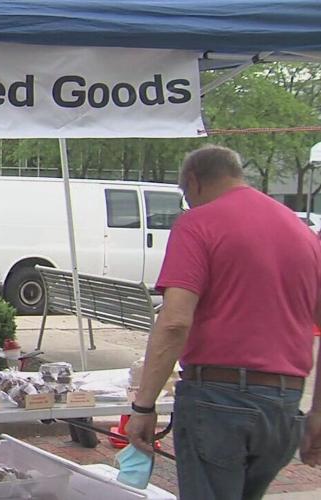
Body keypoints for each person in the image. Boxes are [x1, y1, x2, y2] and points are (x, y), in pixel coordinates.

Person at [126, 145, 321, 499]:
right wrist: (319, 412)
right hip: (284, 406)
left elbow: (174, 322)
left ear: (192, 182)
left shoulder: (198, 223)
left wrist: (144, 405)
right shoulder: (303, 233)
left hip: (218, 399)